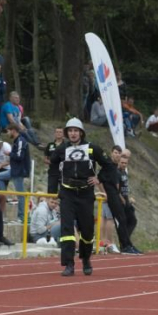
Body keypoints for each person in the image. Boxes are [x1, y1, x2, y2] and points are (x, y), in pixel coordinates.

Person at [47, 118, 115, 276]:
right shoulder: (61, 149)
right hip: (67, 194)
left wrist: (99, 178)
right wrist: (52, 192)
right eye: (70, 131)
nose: (73, 133)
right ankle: (68, 264)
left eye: (75, 131)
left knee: (87, 231)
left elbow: (109, 165)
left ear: (81, 132)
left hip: (85, 194)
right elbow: (53, 168)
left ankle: (86, 259)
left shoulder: (92, 148)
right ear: (66, 133)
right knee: (67, 230)